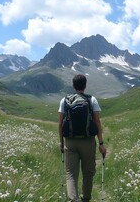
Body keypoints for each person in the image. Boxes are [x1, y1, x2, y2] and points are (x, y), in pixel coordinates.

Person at [59, 74, 107, 202]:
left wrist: (61, 142)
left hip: (70, 142)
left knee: (71, 174)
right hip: (88, 142)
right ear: (85, 86)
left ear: (73, 85)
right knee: (88, 173)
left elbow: (60, 123)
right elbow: (97, 122)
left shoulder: (65, 101)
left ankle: (72, 199)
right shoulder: (92, 100)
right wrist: (101, 143)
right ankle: (86, 199)